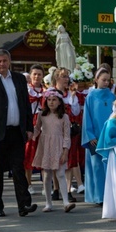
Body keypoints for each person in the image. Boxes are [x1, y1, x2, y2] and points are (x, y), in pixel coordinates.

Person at [0, 49, 38, 217]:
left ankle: (24, 204)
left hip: (17, 132)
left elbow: (25, 103)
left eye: (4, 60)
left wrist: (29, 127)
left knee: (18, 168)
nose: (2, 64)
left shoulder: (18, 79)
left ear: (9, 61)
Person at [32, 88, 75, 213]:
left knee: (60, 173)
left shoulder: (64, 117)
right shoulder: (42, 115)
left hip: (59, 146)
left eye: (54, 100)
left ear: (59, 102)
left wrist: (65, 150)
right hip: (45, 147)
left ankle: (66, 202)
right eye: (49, 100)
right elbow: (37, 129)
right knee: (46, 175)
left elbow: (67, 135)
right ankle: (48, 203)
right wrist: (29, 134)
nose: (51, 102)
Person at [81, 68, 115, 204]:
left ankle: (109, 195)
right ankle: (98, 196)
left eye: (108, 80)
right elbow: (86, 118)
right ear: (96, 80)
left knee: (109, 166)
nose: (106, 83)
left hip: (108, 138)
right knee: (97, 167)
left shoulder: (112, 97)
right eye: (103, 80)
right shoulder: (90, 97)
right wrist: (89, 136)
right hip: (95, 137)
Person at [52, 68, 84, 203]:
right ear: (56, 78)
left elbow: (76, 112)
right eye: (63, 76)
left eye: (67, 77)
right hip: (55, 129)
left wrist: (72, 96)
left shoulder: (71, 94)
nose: (66, 79)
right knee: (55, 158)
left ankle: (68, 189)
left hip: (70, 129)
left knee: (70, 159)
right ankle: (55, 188)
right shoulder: (52, 93)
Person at [24, 64, 46, 194]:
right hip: (31, 124)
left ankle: (45, 184)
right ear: (31, 75)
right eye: (34, 74)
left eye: (39, 74)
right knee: (29, 154)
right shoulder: (26, 90)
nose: (37, 76)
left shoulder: (46, 91)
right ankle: (29, 184)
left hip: (43, 125)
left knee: (43, 154)